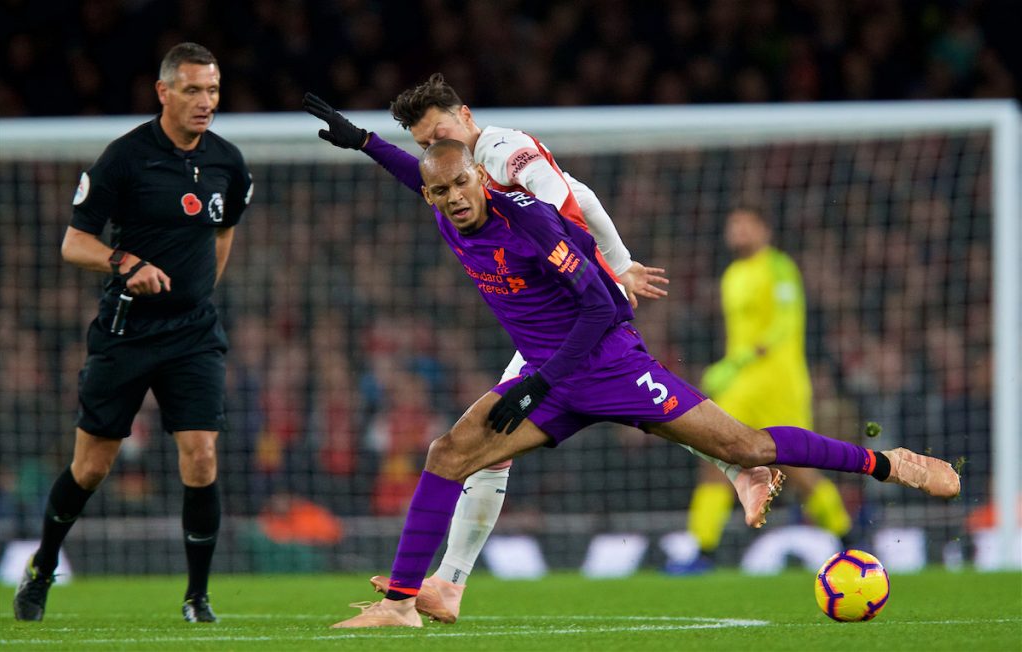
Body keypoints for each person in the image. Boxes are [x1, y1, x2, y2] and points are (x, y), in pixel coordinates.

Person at [306, 121, 959, 628]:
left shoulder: (528, 220)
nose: (452, 198)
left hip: (608, 368)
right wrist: (362, 141)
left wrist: (541, 378)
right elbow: (416, 169)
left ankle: (889, 463)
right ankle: (399, 600)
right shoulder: (447, 211)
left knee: (747, 447)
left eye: (460, 185)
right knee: (448, 454)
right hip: (551, 379)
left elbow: (607, 304)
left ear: (482, 177)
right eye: (439, 191)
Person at [305, 80, 782, 624]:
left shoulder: (505, 153)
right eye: (422, 143)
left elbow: (568, 204)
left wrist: (602, 266)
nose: (432, 147)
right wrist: (365, 141)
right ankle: (448, 586)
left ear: (464, 114)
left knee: (500, 439)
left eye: (438, 131)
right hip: (558, 318)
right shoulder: (463, 169)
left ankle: (737, 463)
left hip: (580, 313)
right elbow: (437, 182)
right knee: (485, 456)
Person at [12, 42, 252, 623]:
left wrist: (198, 292)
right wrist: (128, 264)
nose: (205, 102)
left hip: (194, 334)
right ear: (164, 92)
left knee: (201, 458)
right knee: (91, 467)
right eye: (193, 90)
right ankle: (43, 567)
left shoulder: (228, 161)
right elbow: (74, 243)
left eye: (213, 90)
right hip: (127, 333)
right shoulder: (124, 159)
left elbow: (223, 232)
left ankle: (197, 597)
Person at [681, 207, 854, 572]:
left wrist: (737, 360)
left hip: (779, 385)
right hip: (741, 388)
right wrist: (731, 369)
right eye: (733, 224)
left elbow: (784, 325)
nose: (738, 230)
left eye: (746, 223)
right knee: (713, 459)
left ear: (764, 229)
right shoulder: (731, 275)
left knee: (796, 467)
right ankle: (702, 551)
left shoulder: (778, 267)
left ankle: (848, 537)